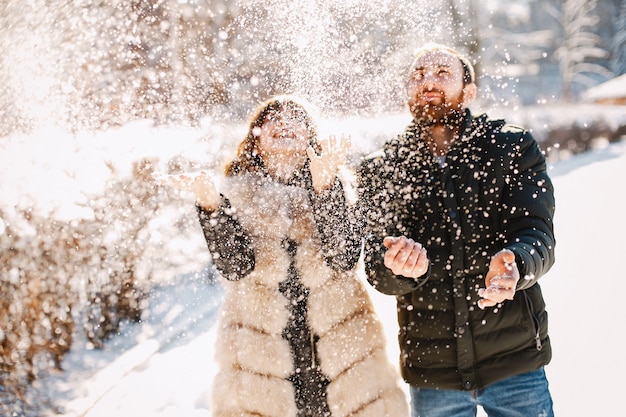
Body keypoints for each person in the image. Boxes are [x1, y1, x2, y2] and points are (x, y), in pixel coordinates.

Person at [157, 95, 409, 417]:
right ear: (256, 138)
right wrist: (210, 204)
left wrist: (325, 188)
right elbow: (235, 267)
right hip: (262, 361)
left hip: (342, 354)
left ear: (310, 137)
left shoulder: (339, 182)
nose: (285, 122)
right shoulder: (236, 192)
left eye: (296, 118)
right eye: (273, 117)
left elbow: (343, 257)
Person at [357, 44, 556, 417]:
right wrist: (399, 269)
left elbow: (538, 234)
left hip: (514, 363)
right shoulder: (383, 167)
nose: (427, 81)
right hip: (433, 373)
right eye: (417, 75)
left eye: (442, 73)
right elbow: (377, 267)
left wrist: (518, 263)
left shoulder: (511, 148)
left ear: (470, 91)